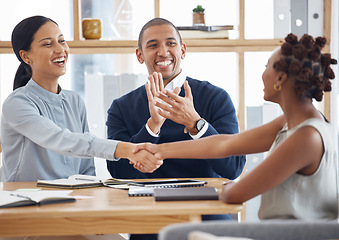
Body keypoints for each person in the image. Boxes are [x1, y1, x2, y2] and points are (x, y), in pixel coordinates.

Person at [136, 33, 339, 220]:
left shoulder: (306, 138)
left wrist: (222, 187)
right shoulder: (293, 122)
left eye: (267, 66)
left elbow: (235, 194)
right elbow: (224, 144)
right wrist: (158, 150)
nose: (262, 74)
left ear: (280, 78)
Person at [106, 18, 246, 239]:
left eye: (171, 43)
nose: (163, 52)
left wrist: (196, 124)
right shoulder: (121, 108)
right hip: (148, 216)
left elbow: (234, 167)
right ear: (140, 55)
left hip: (207, 212)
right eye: (152, 45)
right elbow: (119, 173)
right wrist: (152, 126)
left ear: (182, 50)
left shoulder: (216, 98)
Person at [0, 15, 162, 184]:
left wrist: (88, 195)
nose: (60, 49)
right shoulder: (16, 103)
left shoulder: (74, 100)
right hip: (24, 200)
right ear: (26, 57)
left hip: (71, 200)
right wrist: (127, 149)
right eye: (48, 44)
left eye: (62, 41)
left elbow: (86, 166)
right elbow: (61, 139)